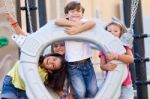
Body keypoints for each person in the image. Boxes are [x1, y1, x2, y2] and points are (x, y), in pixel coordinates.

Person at [55, 1, 98, 98]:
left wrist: (77, 30)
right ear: (67, 15)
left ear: (82, 14)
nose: (75, 13)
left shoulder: (84, 22)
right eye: (72, 11)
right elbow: (57, 21)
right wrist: (74, 24)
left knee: (93, 90)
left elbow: (93, 23)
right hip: (73, 65)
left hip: (87, 62)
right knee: (80, 91)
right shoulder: (65, 24)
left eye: (78, 11)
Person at [1, 53, 67, 99]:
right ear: (51, 55)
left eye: (53, 65)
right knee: (8, 96)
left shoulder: (44, 75)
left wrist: (62, 94)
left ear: (50, 71)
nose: (50, 62)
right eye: (54, 59)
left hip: (24, 90)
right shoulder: (35, 58)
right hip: (12, 81)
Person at [99, 21, 134, 99]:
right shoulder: (104, 48)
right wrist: (105, 67)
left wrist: (117, 56)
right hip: (111, 83)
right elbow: (102, 65)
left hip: (125, 84)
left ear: (120, 33)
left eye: (115, 31)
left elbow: (131, 59)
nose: (112, 33)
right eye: (109, 31)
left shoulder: (124, 46)